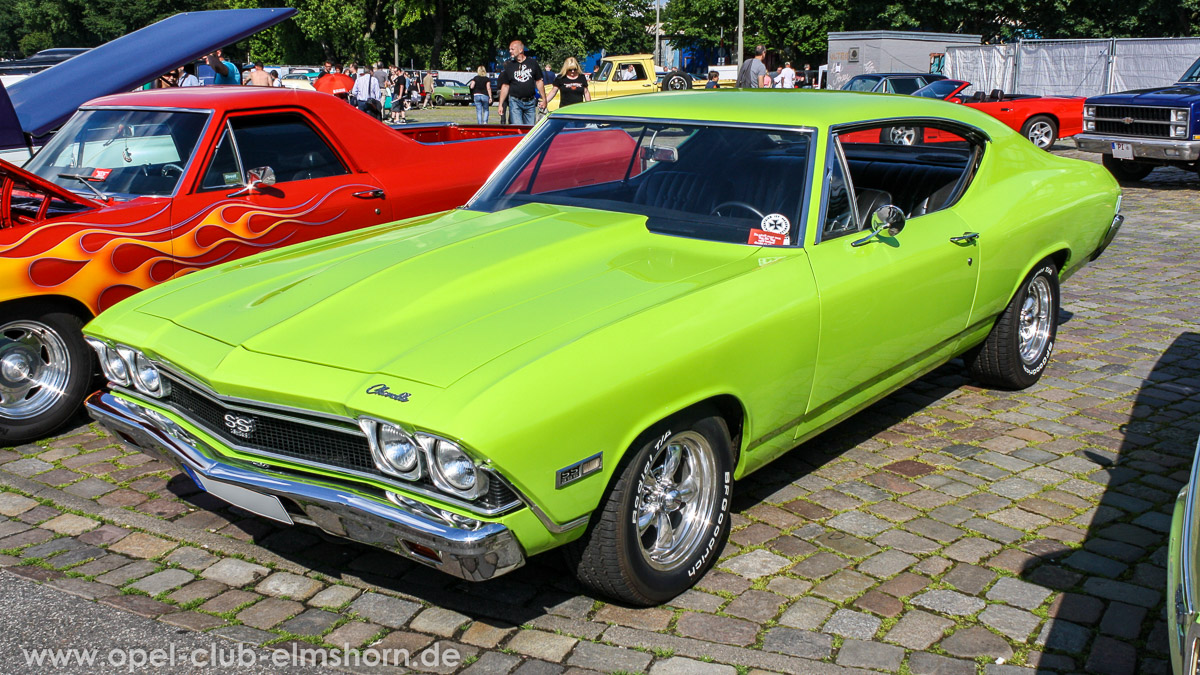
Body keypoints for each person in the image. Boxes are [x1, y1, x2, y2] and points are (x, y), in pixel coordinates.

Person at [497, 41, 546, 125]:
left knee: (529, 130)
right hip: (515, 101)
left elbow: (539, 81)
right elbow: (505, 86)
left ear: (520, 50)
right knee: (518, 127)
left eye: (512, 49)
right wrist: (500, 104)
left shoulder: (532, 63)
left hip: (530, 102)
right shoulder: (510, 66)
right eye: (509, 49)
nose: (510, 51)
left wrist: (544, 99)